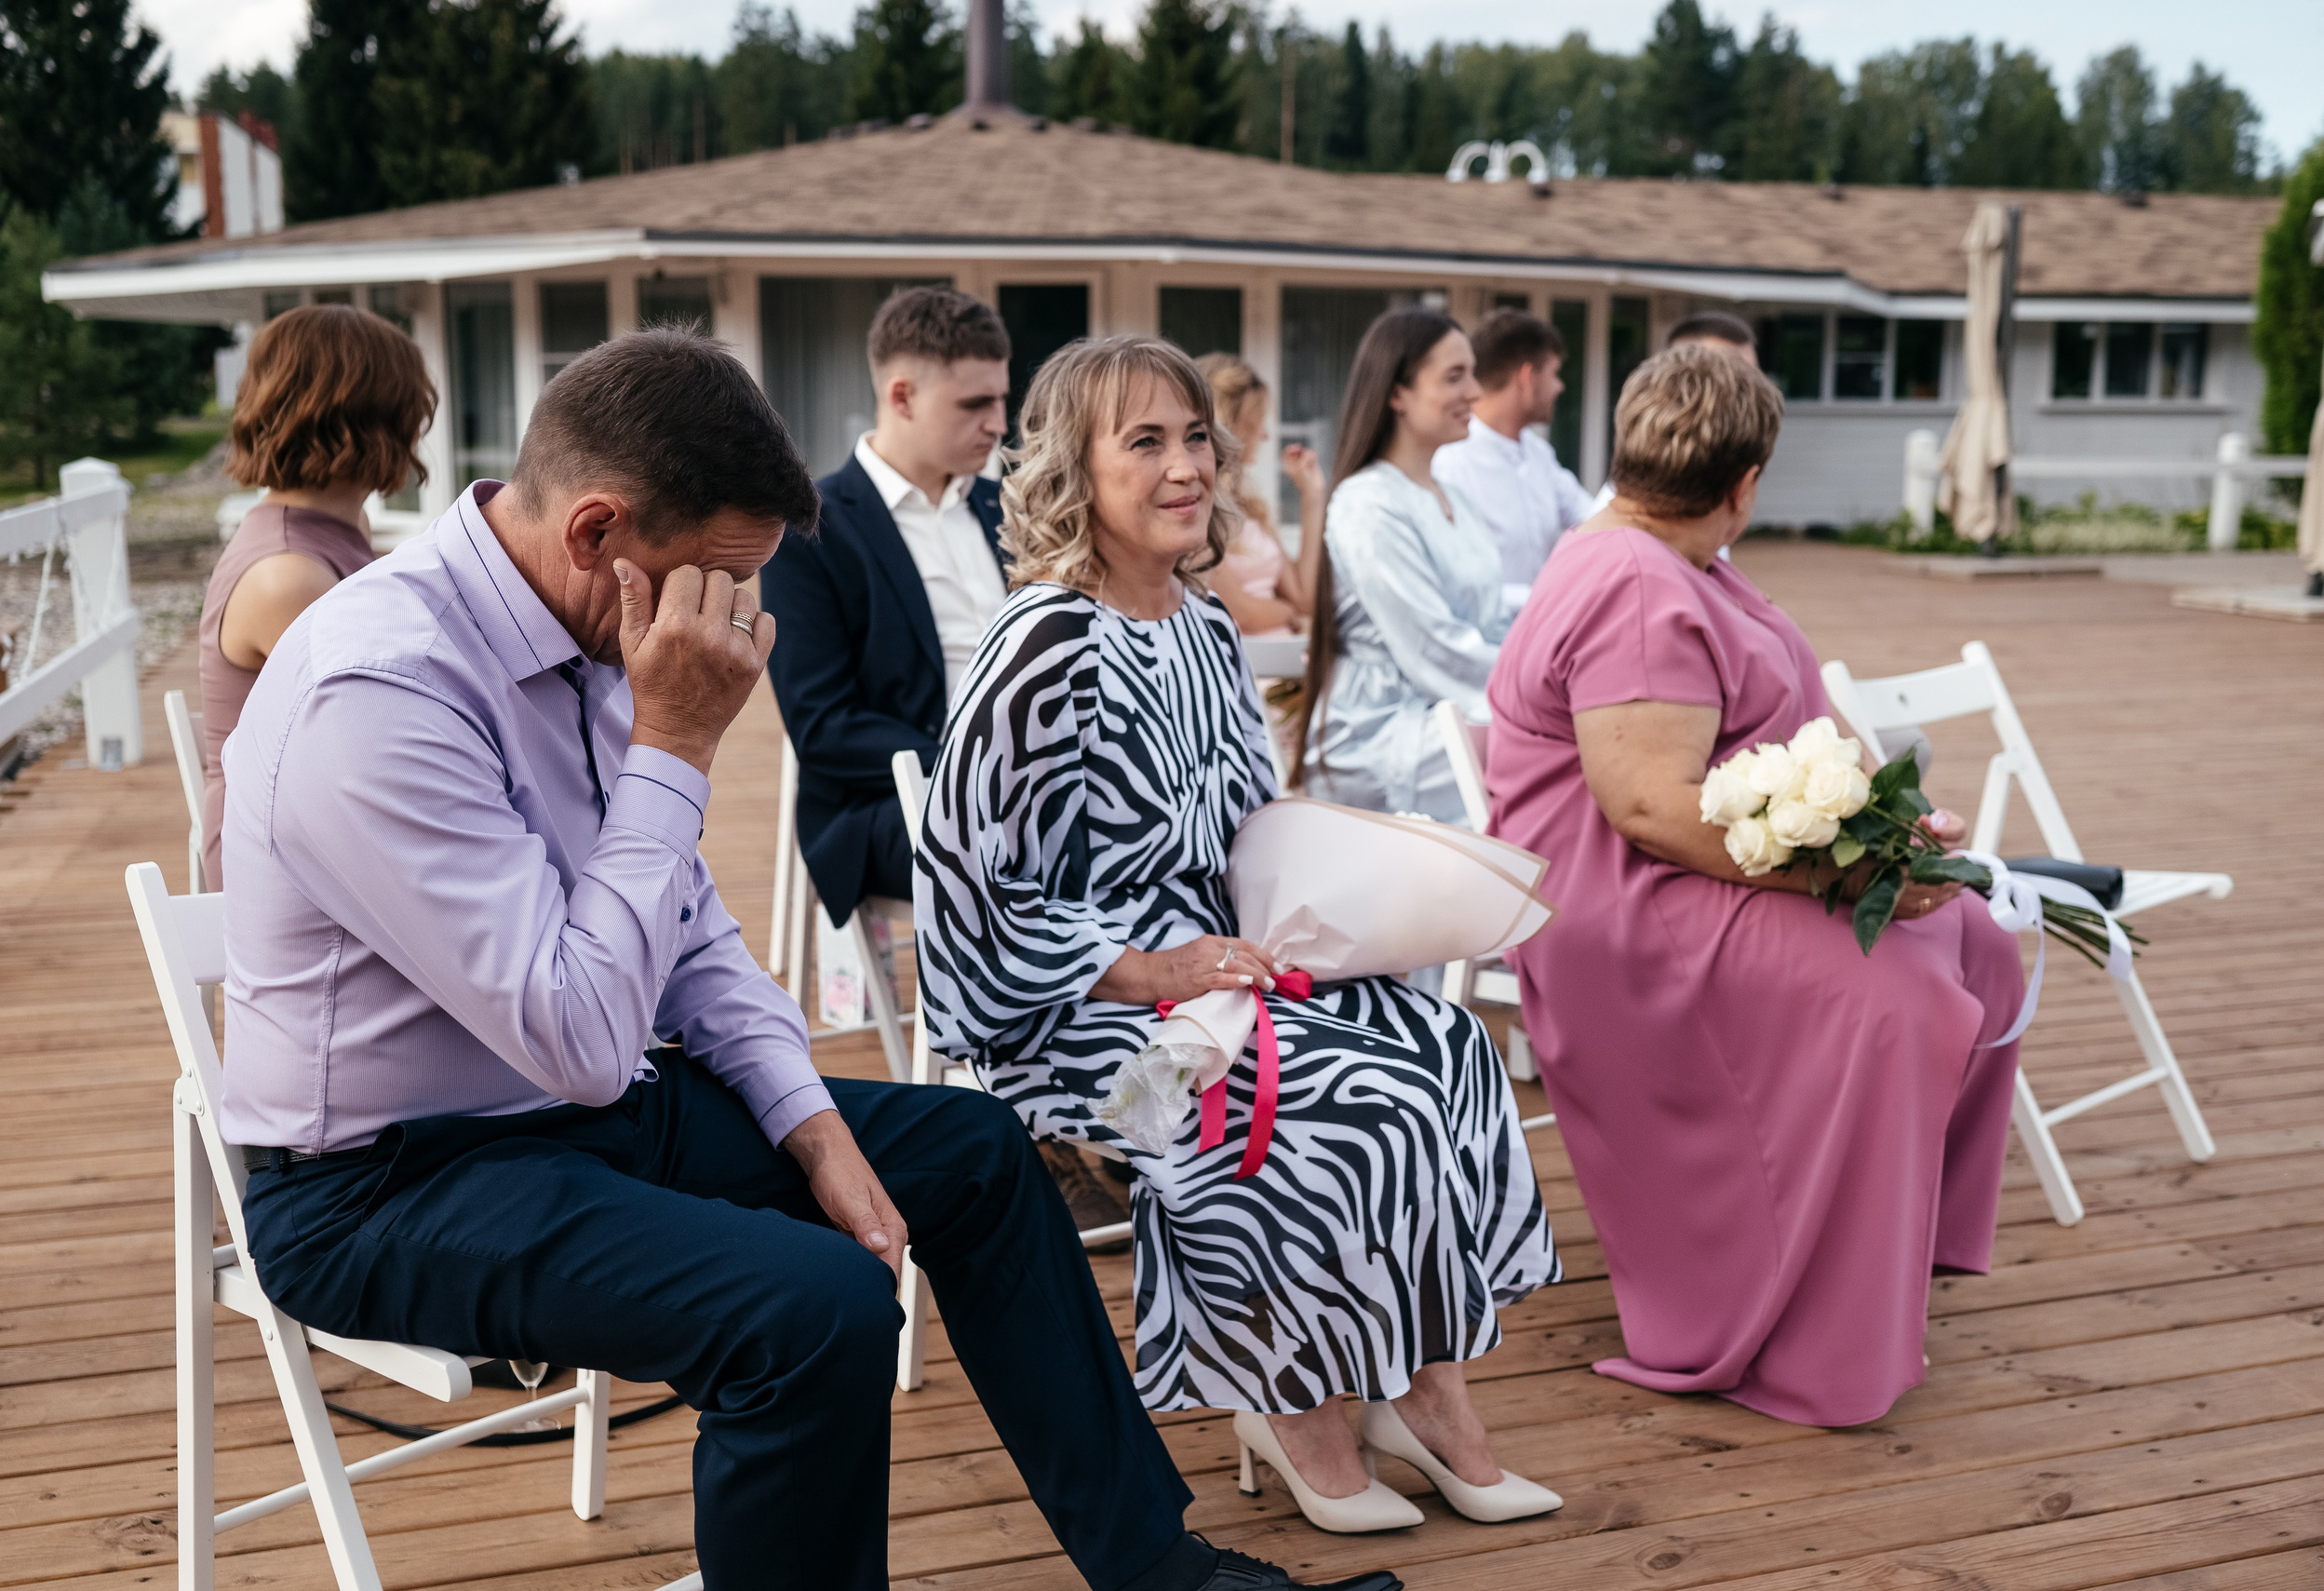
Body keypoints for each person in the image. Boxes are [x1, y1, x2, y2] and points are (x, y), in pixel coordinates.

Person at [219, 328, 1395, 1591]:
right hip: (389, 1183)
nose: (741, 626)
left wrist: (816, 1125)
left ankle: (1161, 1571)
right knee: (812, 1305)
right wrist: (674, 746)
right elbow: (574, 1029)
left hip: (588, 1111)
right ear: (597, 534)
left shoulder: (598, 624)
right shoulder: (381, 691)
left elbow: (689, 940)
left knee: (977, 1154)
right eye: (720, 584)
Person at [914, 335, 1561, 1538]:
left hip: (1235, 969)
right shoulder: (1041, 643)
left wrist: (1328, 911)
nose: (1184, 467)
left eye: (1195, 437)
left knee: (1440, 1048)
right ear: (1074, 468)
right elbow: (970, 889)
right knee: (1313, 1091)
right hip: (1088, 1033)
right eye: (1144, 441)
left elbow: (1243, 832)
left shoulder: (1206, 626)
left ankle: (1426, 1396)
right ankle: (1289, 1392)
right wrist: (1154, 968)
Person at [1484, 343, 2026, 1428]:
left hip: (1696, 860)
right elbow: (1646, 804)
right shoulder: (1633, 583)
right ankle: (1804, 1321)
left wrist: (1888, 831)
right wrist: (1847, 870)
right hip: (1626, 900)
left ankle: (1883, 1259)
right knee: (1898, 1001)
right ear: (1744, 482)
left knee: (1978, 937)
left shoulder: (1679, 554)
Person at [759, 285, 1009, 928]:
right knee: (1013, 850)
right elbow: (823, 725)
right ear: (902, 396)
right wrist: (972, 775)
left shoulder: (1010, 509)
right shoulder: (810, 529)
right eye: (976, 403)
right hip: (885, 806)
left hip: (1021, 793)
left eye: (1003, 398)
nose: (1000, 422)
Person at [197, 303, 436, 887]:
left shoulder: (327, 536)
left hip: (319, 815)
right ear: (375, 418)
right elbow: (380, 734)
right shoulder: (289, 572)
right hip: (274, 852)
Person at [1293, 308, 1508, 824]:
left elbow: (1498, 610)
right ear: (1396, 394)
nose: (1475, 392)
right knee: (1567, 749)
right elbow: (1432, 646)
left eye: (1472, 373)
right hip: (1382, 732)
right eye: (1455, 376)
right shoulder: (1368, 504)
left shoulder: (1450, 497)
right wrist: (1537, 691)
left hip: (1450, 709)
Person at [1430, 308, 1593, 603]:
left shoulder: (1538, 453)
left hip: (1543, 632)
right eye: (1555, 374)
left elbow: (1593, 519)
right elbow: (1452, 585)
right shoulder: (1450, 463)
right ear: (1527, 377)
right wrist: (1550, 600)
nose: (1560, 387)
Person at [1584, 310, 1762, 524]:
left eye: (1753, 377)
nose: (1752, 395)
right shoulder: (1630, 525)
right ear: (1679, 374)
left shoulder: (1706, 501)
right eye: (1734, 376)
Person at [1196, 352, 1325, 638]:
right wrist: (1290, 615)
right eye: (1256, 421)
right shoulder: (1194, 506)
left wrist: (1312, 496)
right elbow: (1239, 613)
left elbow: (1304, 597)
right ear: (1229, 424)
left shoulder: (1249, 506)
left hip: (1282, 666)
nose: (1265, 435)